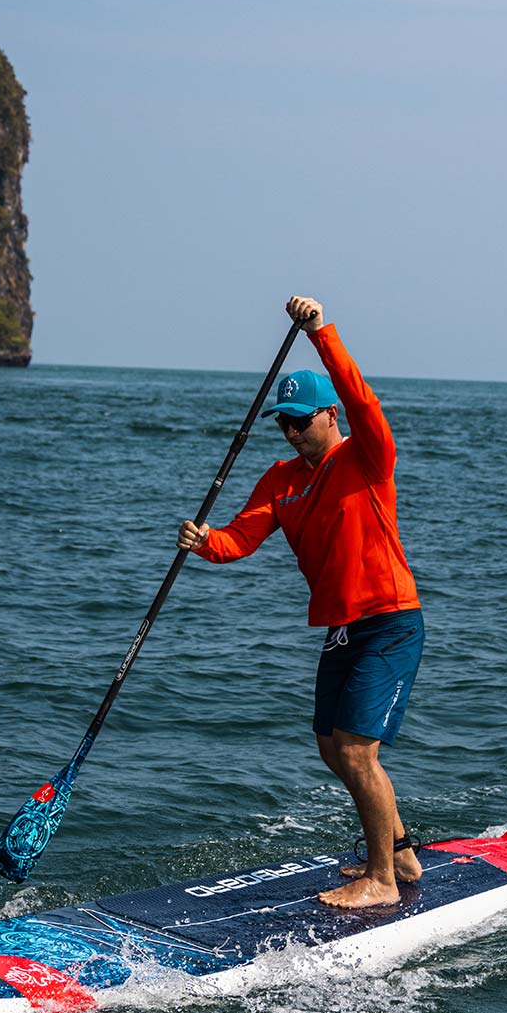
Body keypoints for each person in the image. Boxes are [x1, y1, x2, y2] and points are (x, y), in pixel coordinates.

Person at [177, 295, 424, 909]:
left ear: (330, 415)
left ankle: (382, 882)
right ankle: (400, 852)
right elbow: (240, 538)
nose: (291, 431)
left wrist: (320, 332)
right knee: (332, 748)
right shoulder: (280, 479)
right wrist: (205, 542)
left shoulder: (367, 456)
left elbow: (363, 398)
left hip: (389, 619)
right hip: (340, 627)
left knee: (356, 751)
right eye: (282, 423)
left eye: (300, 420)